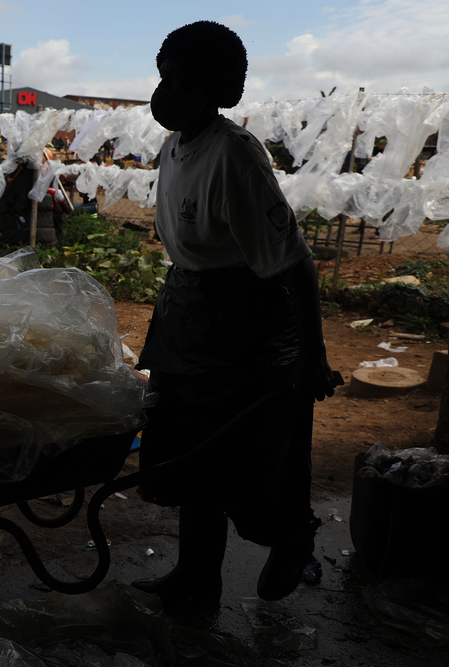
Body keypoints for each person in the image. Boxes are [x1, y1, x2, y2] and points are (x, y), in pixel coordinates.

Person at [130, 21, 339, 612]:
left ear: (213, 88)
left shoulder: (236, 156)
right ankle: (197, 577)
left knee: (251, 469)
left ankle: (292, 539)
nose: (164, 91)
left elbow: (296, 266)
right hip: (187, 316)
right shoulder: (175, 144)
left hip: (248, 327)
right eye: (162, 76)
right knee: (190, 462)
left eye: (179, 80)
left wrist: (311, 358)